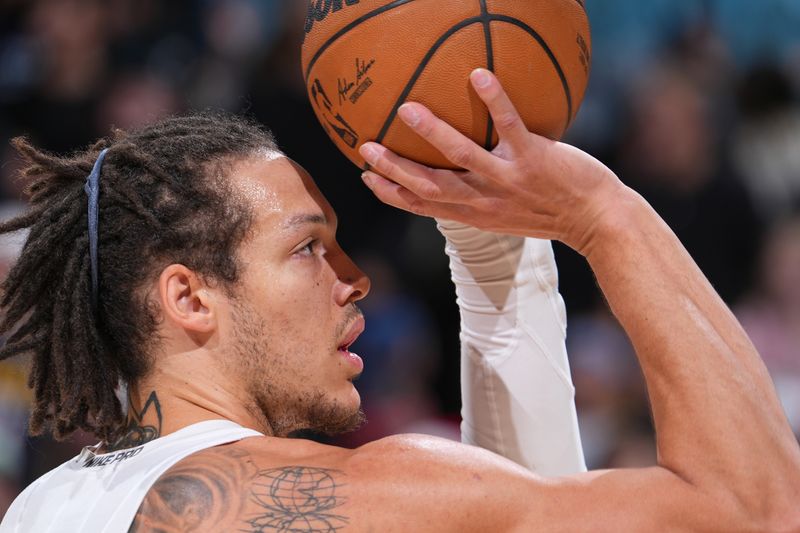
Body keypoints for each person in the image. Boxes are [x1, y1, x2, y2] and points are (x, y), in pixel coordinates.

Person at [0, 69, 798, 531]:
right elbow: (758, 509)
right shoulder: (354, 494)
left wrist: (495, 266)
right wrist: (603, 212)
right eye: (307, 247)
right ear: (190, 297)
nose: (354, 278)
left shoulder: (43, 505)